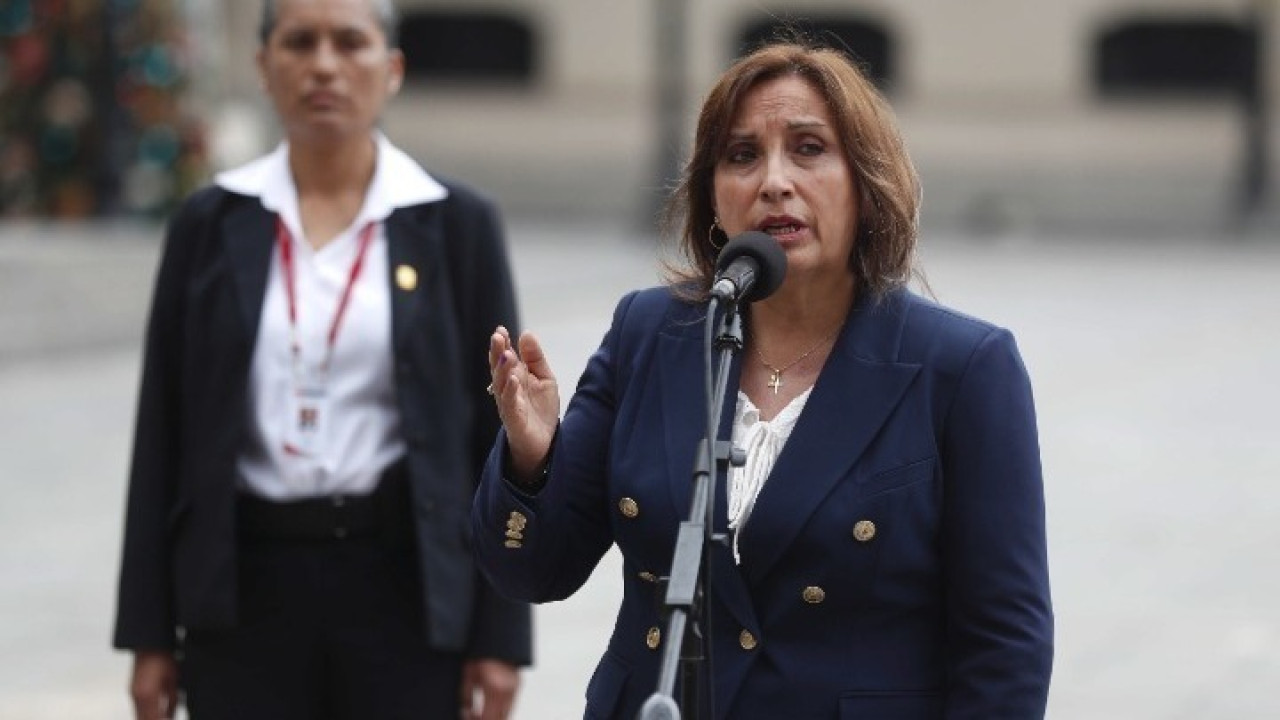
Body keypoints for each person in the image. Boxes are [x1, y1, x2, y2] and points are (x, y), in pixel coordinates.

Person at [472, 41, 1053, 719]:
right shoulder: (649, 333)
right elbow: (533, 572)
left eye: (808, 149)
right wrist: (533, 459)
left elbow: (1005, 646)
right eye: (742, 155)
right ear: (713, 199)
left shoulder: (964, 366)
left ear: (865, 183)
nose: (774, 181)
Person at [112, 1, 531, 718]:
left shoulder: (456, 223)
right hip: (242, 591)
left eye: (350, 43)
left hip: (404, 588)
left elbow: (493, 439)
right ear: (264, 66)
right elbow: (163, 430)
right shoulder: (209, 223)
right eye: (300, 42)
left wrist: (500, 636)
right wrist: (148, 634)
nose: (325, 66)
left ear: (391, 68)